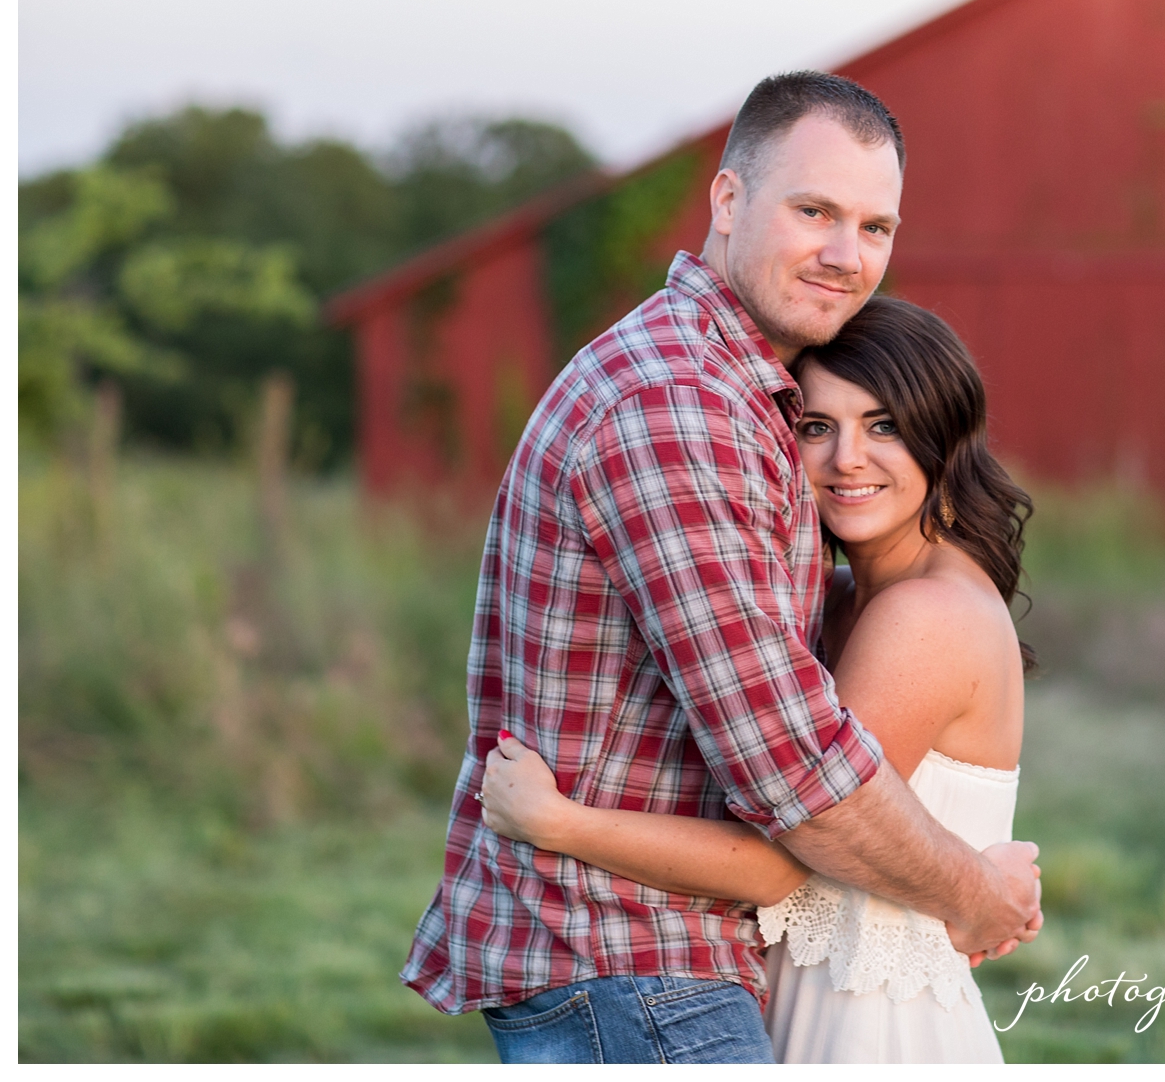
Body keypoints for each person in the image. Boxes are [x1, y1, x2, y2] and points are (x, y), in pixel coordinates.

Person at [400, 72, 1041, 1064]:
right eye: (814, 210)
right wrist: (971, 892)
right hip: (627, 958)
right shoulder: (677, 409)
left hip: (678, 965)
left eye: (874, 226)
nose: (844, 252)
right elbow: (796, 777)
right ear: (728, 201)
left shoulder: (737, 400)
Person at [481, 297, 1035, 1063]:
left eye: (884, 425)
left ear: (942, 437)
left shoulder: (927, 615)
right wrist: (973, 881)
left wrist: (558, 823)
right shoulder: (842, 599)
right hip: (793, 1004)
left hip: (875, 1030)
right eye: (816, 426)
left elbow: (785, 857)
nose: (847, 458)